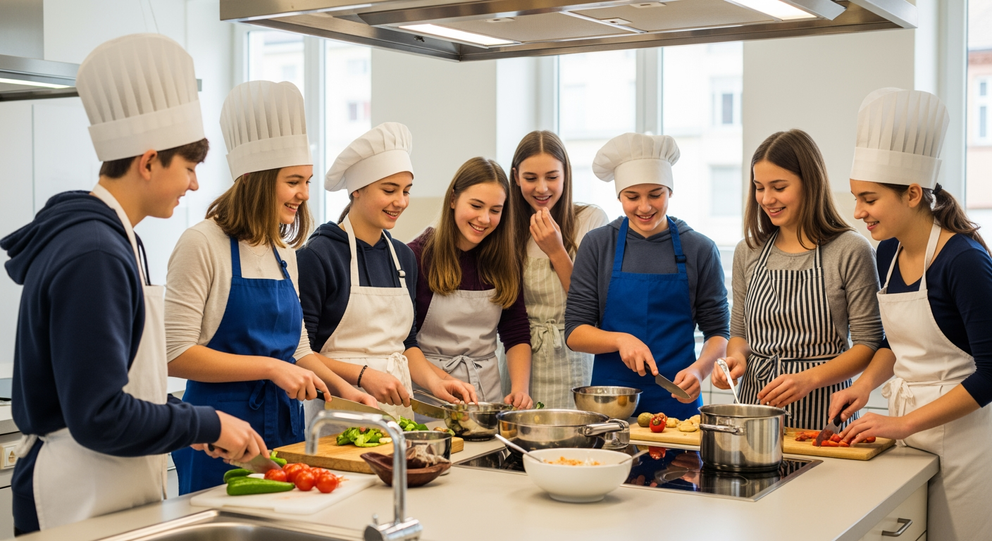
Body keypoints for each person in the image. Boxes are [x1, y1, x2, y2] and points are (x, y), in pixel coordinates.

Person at [0, 34, 266, 534]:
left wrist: (188, 422)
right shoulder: (94, 252)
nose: (192, 184)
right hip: (76, 494)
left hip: (107, 486)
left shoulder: (113, 239)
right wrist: (203, 423)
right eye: (188, 168)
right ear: (147, 162)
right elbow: (99, 413)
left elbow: (124, 386)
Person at [166, 81, 374, 494]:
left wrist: (347, 390)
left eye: (308, 181)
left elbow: (298, 350)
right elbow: (175, 355)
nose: (303, 194)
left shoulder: (282, 249)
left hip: (282, 428)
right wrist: (270, 367)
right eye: (294, 181)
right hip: (217, 435)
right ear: (257, 180)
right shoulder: (201, 243)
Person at [831, 88, 992, 541]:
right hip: (907, 435)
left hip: (965, 441)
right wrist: (863, 387)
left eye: (868, 199)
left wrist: (901, 423)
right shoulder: (887, 253)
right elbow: (893, 344)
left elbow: (991, 374)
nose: (858, 212)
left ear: (913, 194)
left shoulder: (963, 261)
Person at [298, 123, 477, 421]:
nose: (401, 202)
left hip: (396, 412)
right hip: (336, 412)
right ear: (356, 189)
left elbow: (407, 345)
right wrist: (363, 375)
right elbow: (301, 353)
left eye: (406, 191)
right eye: (389, 190)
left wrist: (439, 383)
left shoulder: (403, 257)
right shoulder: (318, 256)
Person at [711, 130, 883, 429]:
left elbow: (868, 345)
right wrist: (734, 359)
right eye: (759, 187)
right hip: (756, 413)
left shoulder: (850, 250)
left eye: (779, 187)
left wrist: (808, 379)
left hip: (826, 416)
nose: (767, 199)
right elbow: (739, 333)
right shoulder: (748, 251)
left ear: (810, 184)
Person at [565, 133, 729, 419]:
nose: (644, 207)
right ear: (619, 196)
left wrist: (699, 370)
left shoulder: (700, 248)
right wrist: (620, 340)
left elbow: (718, 332)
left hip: (678, 402)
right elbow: (575, 332)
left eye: (655, 194)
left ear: (670, 192)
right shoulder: (598, 245)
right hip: (610, 405)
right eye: (632, 197)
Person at [409, 157, 533, 408]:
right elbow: (403, 340)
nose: (484, 219)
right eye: (476, 206)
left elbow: (516, 330)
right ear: (453, 199)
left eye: (495, 210)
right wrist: (439, 381)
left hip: (485, 395)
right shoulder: (417, 256)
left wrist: (520, 390)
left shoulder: (506, 260)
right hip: (427, 394)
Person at [505, 131, 609, 409]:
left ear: (566, 175)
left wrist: (556, 250)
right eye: (530, 178)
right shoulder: (507, 228)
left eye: (552, 177)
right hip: (523, 360)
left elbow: (594, 305)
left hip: (575, 354)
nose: (542, 188)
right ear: (515, 177)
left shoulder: (590, 219)